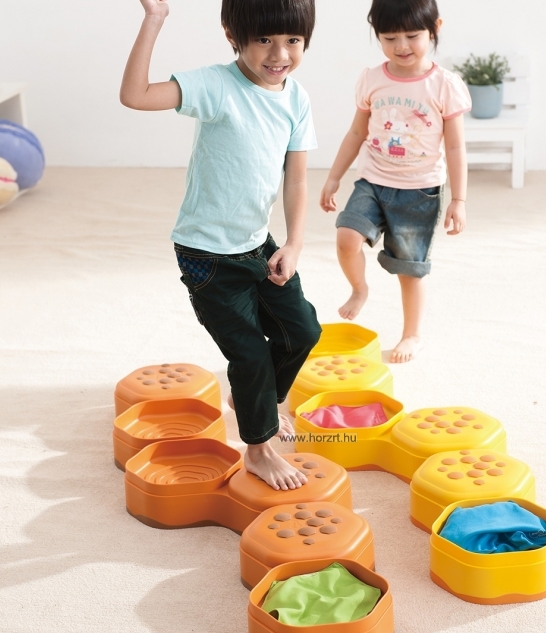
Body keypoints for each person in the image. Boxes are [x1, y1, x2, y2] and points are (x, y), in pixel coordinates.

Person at [121, 0, 321, 490]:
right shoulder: (215, 85)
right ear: (233, 34)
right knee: (250, 354)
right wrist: (154, 20)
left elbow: (296, 180)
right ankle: (259, 450)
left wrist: (294, 244)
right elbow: (135, 96)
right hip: (206, 254)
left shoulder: (296, 97)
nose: (280, 54)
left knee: (302, 330)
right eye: (264, 40)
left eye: (293, 41)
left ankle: (256, 401)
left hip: (257, 244)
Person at [320, 0, 470, 363]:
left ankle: (412, 334)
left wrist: (459, 199)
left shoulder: (444, 85)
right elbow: (357, 132)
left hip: (420, 190)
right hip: (373, 180)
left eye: (412, 36)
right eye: (389, 38)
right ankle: (359, 289)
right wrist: (334, 177)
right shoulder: (372, 79)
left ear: (435, 28)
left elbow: (455, 146)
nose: (401, 46)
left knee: (409, 270)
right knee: (346, 237)